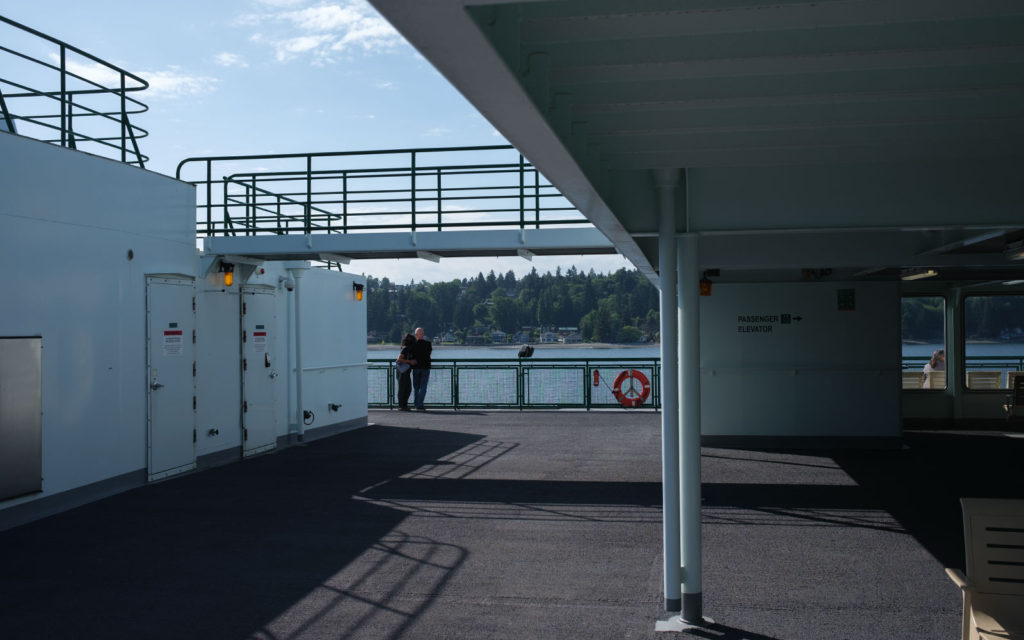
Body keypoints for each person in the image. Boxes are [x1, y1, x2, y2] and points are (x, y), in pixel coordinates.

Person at [410, 327, 432, 411]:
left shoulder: (412, 344)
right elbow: (429, 353)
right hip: (426, 367)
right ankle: (420, 404)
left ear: (416, 335)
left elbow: (410, 355)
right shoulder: (428, 343)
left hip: (416, 367)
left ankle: (416, 404)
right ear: (423, 334)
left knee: (416, 387)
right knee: (423, 387)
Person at [395, 333, 416, 411]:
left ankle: (404, 405)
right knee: (403, 388)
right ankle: (401, 406)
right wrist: (410, 361)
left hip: (405, 371)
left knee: (407, 388)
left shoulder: (407, 348)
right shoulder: (406, 349)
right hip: (402, 371)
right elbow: (399, 359)